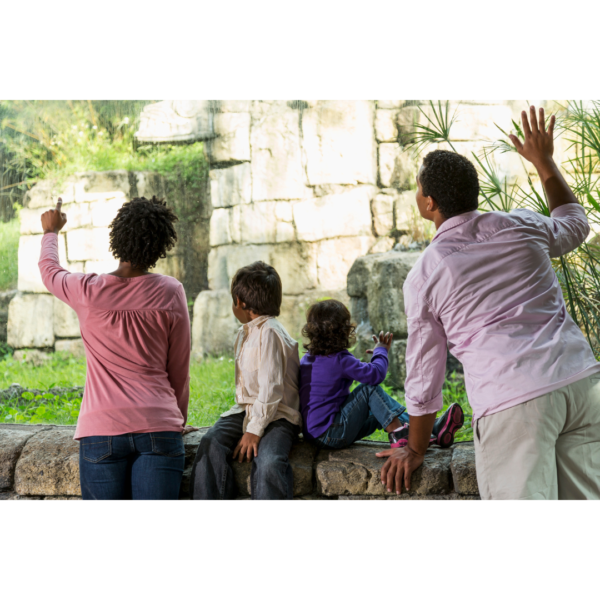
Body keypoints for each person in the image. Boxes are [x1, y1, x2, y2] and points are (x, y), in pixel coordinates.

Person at [378, 107, 600, 501]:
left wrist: (414, 448)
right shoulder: (522, 225)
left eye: (417, 189)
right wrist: (545, 163)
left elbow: (424, 376)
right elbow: (575, 225)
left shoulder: (427, 273)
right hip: (581, 384)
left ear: (429, 203)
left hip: (514, 402)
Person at [39, 196, 191, 502]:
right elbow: (179, 369)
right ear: (161, 245)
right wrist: (177, 420)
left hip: (100, 430)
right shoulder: (171, 292)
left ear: (117, 237)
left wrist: (51, 232)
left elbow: (49, 271)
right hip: (159, 426)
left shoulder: (87, 291)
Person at [190, 262, 301, 502]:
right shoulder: (245, 332)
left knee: (270, 461)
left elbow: (271, 390)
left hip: (279, 414)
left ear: (239, 301)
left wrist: (253, 431)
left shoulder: (270, 331)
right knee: (210, 443)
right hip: (247, 409)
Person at [299, 300, 464, 450]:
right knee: (368, 390)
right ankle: (399, 436)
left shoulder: (307, 360)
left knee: (380, 410)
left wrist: (377, 356)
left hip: (315, 435)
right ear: (345, 331)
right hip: (331, 433)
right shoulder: (340, 360)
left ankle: (432, 429)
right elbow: (375, 375)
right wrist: (381, 351)